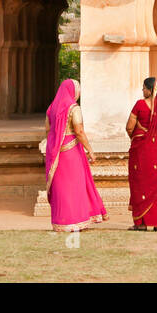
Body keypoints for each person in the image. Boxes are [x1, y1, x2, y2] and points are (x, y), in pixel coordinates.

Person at [43, 79, 108, 232]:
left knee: (61, 187)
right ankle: (76, 220)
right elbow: (79, 131)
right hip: (71, 152)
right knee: (74, 185)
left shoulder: (51, 108)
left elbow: (47, 130)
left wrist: (55, 145)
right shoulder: (73, 108)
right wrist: (90, 150)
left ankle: (62, 222)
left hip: (57, 152)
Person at [125, 76, 157, 230]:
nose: (142, 90)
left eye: (144, 88)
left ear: (150, 90)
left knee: (140, 182)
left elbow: (129, 127)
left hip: (141, 150)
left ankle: (141, 223)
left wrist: (138, 137)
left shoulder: (140, 104)